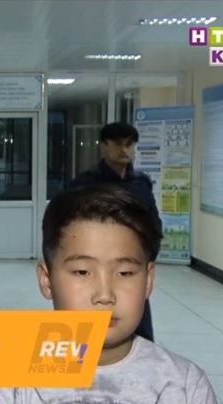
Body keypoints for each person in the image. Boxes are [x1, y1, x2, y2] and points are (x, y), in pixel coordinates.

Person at [0, 186, 216, 403]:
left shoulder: (186, 387)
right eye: (82, 272)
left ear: (148, 280)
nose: (104, 295)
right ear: (47, 281)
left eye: (125, 273)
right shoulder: (7, 381)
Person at [69, 122, 160, 341]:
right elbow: (71, 227)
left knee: (137, 321)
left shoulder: (141, 184)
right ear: (104, 146)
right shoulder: (85, 184)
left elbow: (153, 224)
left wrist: (146, 256)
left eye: (129, 144)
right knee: (91, 322)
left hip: (131, 265)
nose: (124, 150)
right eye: (118, 144)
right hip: (96, 264)